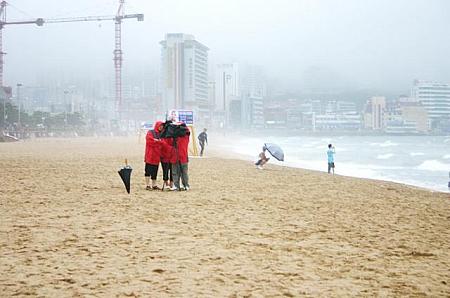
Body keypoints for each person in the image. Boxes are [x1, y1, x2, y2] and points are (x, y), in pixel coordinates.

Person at [170, 124, 191, 191]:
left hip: (179, 157)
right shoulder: (186, 136)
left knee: (177, 172)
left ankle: (178, 186)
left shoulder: (174, 136)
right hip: (180, 157)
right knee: (183, 172)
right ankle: (184, 185)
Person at [144, 121, 164, 190]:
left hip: (157, 156)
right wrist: (158, 141)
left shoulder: (162, 134)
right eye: (160, 125)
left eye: (162, 126)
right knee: (148, 170)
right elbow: (149, 141)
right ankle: (147, 185)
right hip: (150, 155)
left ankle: (154, 185)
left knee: (155, 171)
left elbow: (163, 142)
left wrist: (157, 141)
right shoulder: (150, 132)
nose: (161, 127)